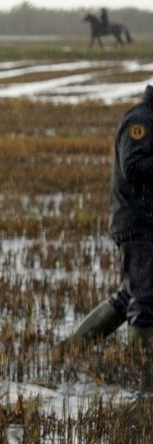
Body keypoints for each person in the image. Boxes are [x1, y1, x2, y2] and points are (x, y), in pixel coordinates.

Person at [66, 84, 153, 348]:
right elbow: (133, 168)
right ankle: (144, 374)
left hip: (147, 222)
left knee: (132, 293)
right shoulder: (141, 120)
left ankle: (73, 348)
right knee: (145, 299)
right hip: (138, 224)